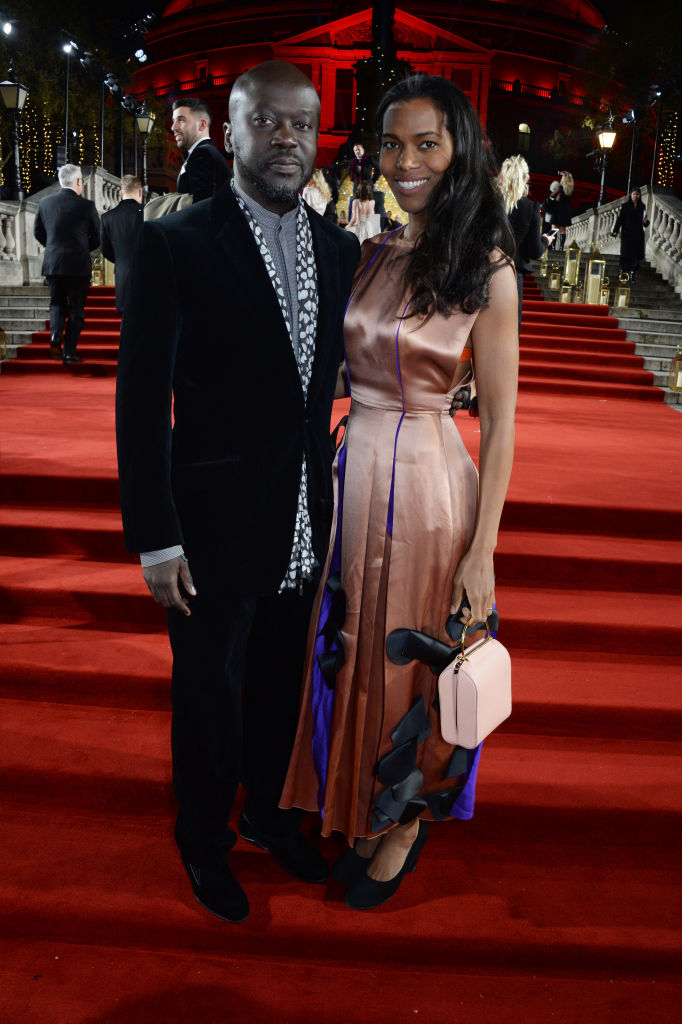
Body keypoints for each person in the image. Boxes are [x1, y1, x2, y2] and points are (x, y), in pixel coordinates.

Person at [116, 61, 359, 925]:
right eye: (269, 123)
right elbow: (141, 401)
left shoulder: (341, 247)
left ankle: (263, 816)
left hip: (302, 517)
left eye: (303, 123)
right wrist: (155, 535)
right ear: (234, 132)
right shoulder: (175, 243)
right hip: (209, 523)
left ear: (318, 134)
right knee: (208, 696)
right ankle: (202, 842)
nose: (287, 137)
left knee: (281, 686)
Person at [281, 73, 518, 910]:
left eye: (427, 143)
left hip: (427, 488)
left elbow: (502, 425)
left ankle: (403, 821)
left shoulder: (487, 269)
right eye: (391, 143)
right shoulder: (377, 249)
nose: (405, 160)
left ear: (460, 153)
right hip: (355, 477)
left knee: (411, 664)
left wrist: (483, 551)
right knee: (351, 653)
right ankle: (356, 807)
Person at [33, 164, 100, 365]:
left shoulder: (44, 203)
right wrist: (82, 248)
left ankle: (55, 335)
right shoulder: (86, 206)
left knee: (56, 303)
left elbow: (38, 232)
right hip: (78, 264)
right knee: (76, 309)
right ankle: (69, 352)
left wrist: (52, 246)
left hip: (54, 263)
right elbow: (97, 237)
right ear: (79, 182)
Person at [499, 154, 554, 330]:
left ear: (502, 177)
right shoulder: (530, 208)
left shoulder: (488, 204)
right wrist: (546, 240)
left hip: (483, 275)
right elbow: (534, 251)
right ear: (524, 179)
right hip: (512, 276)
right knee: (509, 333)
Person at [99, 175, 144, 316]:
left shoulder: (107, 217)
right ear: (140, 192)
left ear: (120, 193)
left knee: (125, 321)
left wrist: (120, 259)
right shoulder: (148, 213)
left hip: (122, 273)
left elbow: (105, 249)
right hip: (146, 274)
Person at [172, 97, 232, 201]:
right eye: (173, 121)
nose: (173, 127)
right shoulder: (207, 152)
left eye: (181, 120)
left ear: (202, 125)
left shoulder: (202, 154)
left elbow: (202, 207)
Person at [612, 187, 649, 282]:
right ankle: (623, 272)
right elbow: (620, 219)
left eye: (637, 194)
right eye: (634, 194)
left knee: (635, 255)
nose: (635, 196)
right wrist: (615, 230)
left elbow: (645, 222)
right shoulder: (625, 206)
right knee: (625, 253)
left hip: (638, 234)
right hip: (627, 234)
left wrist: (645, 222)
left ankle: (632, 273)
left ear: (640, 195)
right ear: (630, 195)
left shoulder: (642, 207)